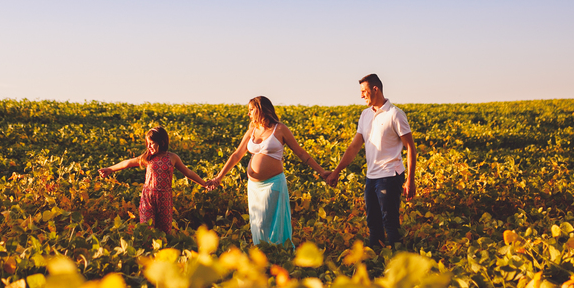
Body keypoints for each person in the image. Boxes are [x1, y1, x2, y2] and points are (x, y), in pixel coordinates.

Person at [211, 96, 329, 246]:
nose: (248, 114)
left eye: (251, 110)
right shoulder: (252, 130)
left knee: (273, 225)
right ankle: (263, 259)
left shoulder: (280, 129)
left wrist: (321, 171)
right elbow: (236, 155)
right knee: (258, 224)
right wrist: (219, 177)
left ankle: (277, 258)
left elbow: (301, 153)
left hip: (273, 184)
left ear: (260, 109)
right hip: (254, 187)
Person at [326, 74, 416, 249]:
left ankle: (398, 263)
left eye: (363, 91)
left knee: (390, 223)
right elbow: (354, 147)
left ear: (375, 89)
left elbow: (410, 148)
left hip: (390, 175)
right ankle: (376, 264)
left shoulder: (395, 114)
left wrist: (410, 180)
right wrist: (336, 172)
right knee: (373, 222)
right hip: (371, 177)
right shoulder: (365, 115)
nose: (361, 96)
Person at [99, 126, 213, 234]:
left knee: (164, 233)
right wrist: (110, 169)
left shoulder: (172, 157)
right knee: (146, 230)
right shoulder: (148, 157)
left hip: (165, 198)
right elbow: (128, 163)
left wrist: (204, 184)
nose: (148, 147)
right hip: (148, 198)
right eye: (147, 144)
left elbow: (188, 173)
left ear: (162, 142)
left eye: (151, 143)